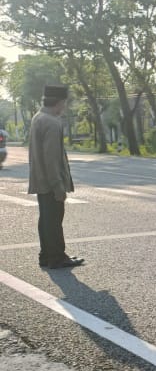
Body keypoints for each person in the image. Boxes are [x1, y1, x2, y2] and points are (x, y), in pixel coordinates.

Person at [28, 85, 85, 270]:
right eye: (65, 103)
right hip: (50, 182)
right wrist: (58, 186)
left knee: (46, 219)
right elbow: (51, 158)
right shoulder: (52, 122)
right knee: (54, 220)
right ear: (59, 102)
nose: (65, 107)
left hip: (40, 180)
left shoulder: (38, 117)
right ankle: (57, 257)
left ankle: (46, 255)